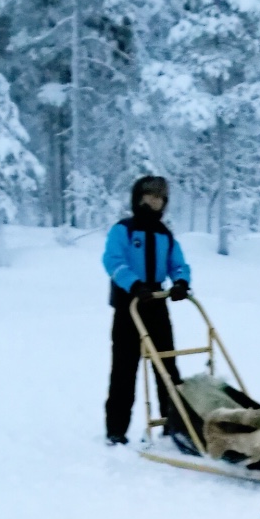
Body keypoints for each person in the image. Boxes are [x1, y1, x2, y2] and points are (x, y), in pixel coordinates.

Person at [102, 175, 192, 446]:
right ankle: (116, 430)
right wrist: (134, 284)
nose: (155, 201)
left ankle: (173, 423)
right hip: (129, 304)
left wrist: (180, 282)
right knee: (124, 369)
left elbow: (178, 263)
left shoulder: (165, 234)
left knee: (167, 365)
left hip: (156, 302)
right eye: (150, 195)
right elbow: (113, 261)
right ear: (139, 197)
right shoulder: (124, 230)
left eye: (161, 197)